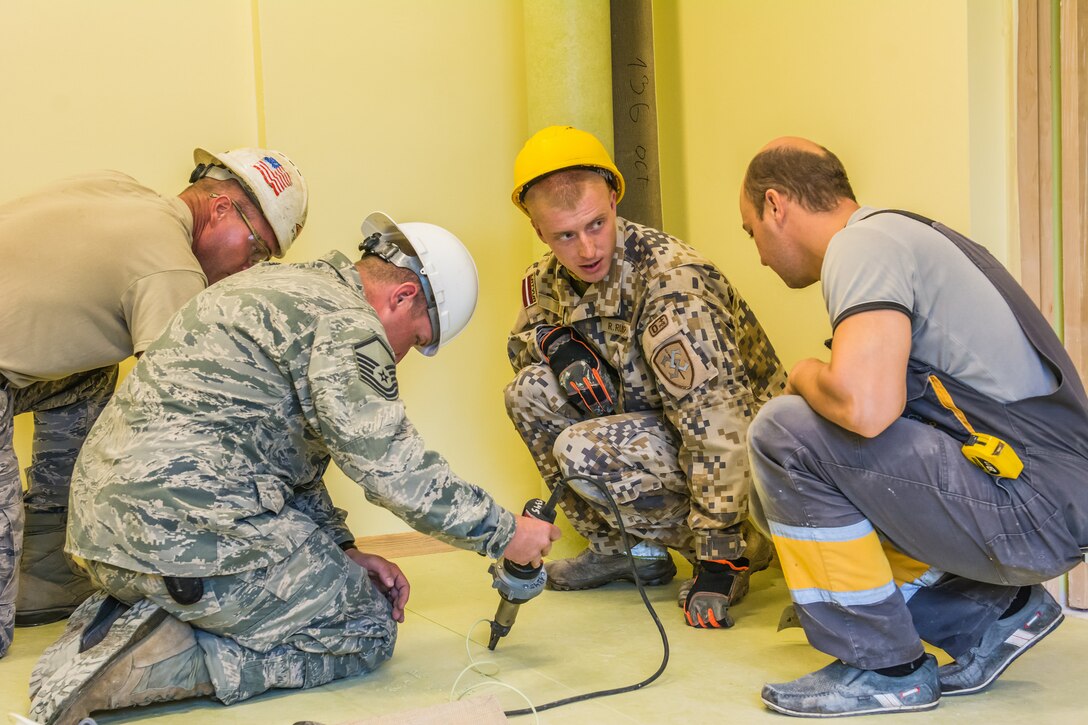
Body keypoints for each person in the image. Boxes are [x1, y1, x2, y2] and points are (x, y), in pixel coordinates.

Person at [26, 212, 561, 725]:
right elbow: (392, 465)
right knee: (366, 625)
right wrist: (505, 533)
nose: (402, 357)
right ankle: (148, 666)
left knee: (334, 579)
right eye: (417, 340)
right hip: (184, 536)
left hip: (105, 532)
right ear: (403, 297)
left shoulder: (278, 288)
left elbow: (290, 462)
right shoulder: (349, 325)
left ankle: (130, 623)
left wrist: (344, 549)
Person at [740, 137, 1088, 717]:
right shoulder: (903, 236)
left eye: (751, 230)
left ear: (776, 204)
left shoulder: (864, 245)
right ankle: (990, 616)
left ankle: (885, 667)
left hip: (1032, 505)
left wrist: (802, 372)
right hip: (1044, 498)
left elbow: (866, 408)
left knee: (784, 432)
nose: (758, 255)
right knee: (770, 488)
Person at [0, 147, 308, 657]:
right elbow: (177, 412)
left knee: (91, 374)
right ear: (221, 209)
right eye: (256, 251)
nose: (247, 270)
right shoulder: (169, 267)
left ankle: (44, 573)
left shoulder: (119, 186)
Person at [505, 125, 787, 629]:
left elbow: (721, 429)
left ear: (615, 198)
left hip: (750, 470)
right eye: (565, 235)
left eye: (596, 224)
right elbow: (523, 341)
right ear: (538, 227)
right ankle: (624, 550)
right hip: (662, 429)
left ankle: (737, 550)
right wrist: (555, 343)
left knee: (578, 447)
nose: (586, 249)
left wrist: (720, 555)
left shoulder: (672, 286)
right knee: (528, 392)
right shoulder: (546, 277)